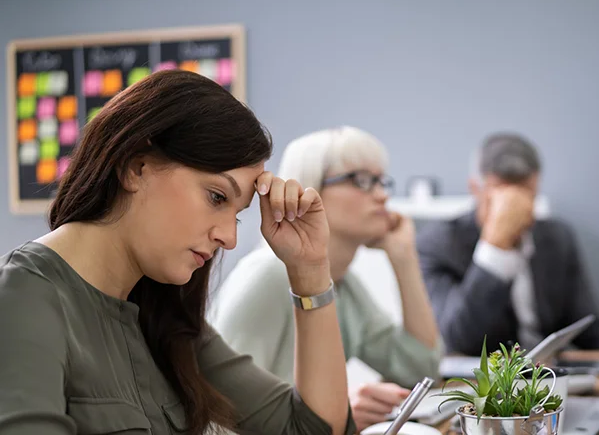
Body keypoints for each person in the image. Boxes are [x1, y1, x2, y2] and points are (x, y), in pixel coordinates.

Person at [0, 70, 353, 435]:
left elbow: (313, 429)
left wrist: (310, 268)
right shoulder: (22, 299)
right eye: (216, 197)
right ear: (135, 168)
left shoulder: (165, 320)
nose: (229, 238)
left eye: (237, 215)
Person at [210, 126, 442, 432]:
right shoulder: (268, 275)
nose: (382, 195)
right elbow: (222, 412)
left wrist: (405, 259)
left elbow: (420, 367)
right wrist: (335, 411)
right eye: (361, 180)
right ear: (310, 189)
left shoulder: (345, 284)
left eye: (381, 181)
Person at [418, 132, 599, 358]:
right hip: (484, 376)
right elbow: (458, 339)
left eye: (526, 195)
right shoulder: (440, 244)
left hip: (548, 372)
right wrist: (496, 247)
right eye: (503, 196)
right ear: (475, 189)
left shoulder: (557, 238)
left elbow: (585, 324)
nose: (516, 207)